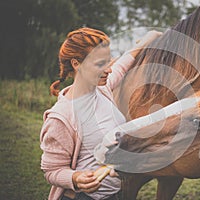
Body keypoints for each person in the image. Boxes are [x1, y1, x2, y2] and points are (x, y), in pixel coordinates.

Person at [40, 27, 162, 200]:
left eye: (108, 61)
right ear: (76, 64)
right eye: (99, 64)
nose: (108, 70)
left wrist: (151, 36)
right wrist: (75, 178)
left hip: (115, 195)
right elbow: (52, 170)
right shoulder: (61, 117)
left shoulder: (103, 88)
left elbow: (124, 61)